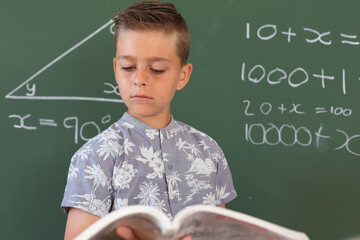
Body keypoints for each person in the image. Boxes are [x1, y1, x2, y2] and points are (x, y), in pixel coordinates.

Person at [61, 1, 237, 239]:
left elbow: (221, 233)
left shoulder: (208, 151)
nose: (140, 79)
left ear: (182, 76)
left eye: (157, 69)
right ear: (116, 69)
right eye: (128, 66)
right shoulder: (95, 157)